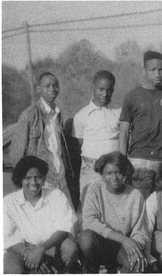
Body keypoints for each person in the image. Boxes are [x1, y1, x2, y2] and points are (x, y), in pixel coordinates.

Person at [119, 50, 162, 200]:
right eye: (152, 70)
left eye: (161, 69)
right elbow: (123, 132)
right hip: (139, 163)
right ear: (144, 71)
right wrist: (122, 164)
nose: (157, 74)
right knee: (140, 208)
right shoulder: (132, 96)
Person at [77, 151, 150, 273]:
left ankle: (117, 269)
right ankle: (90, 270)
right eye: (109, 173)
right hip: (99, 243)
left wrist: (135, 247)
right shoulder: (94, 189)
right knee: (86, 238)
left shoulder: (135, 195)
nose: (114, 178)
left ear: (125, 173)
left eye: (118, 172)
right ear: (102, 174)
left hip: (123, 247)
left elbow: (140, 230)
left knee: (137, 265)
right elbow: (89, 222)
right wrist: (121, 238)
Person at [4, 156, 78, 274]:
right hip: (22, 250)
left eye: (37, 177)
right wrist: (30, 253)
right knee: (12, 267)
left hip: (52, 246)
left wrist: (40, 249)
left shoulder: (56, 195)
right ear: (20, 179)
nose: (33, 182)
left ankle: (63, 270)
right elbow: (8, 238)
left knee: (70, 248)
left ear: (43, 179)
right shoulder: (8, 202)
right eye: (28, 178)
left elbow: (63, 229)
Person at [10, 72, 75, 206]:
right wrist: (28, 182)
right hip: (43, 181)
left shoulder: (57, 113)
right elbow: (17, 153)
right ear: (39, 89)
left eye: (55, 86)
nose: (52, 89)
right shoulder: (29, 115)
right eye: (47, 86)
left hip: (61, 180)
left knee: (69, 221)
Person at [73, 70, 121, 204]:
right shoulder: (82, 115)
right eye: (100, 89)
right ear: (92, 88)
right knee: (90, 205)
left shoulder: (119, 112)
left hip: (113, 170)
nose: (105, 94)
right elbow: (80, 142)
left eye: (109, 90)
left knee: (114, 204)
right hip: (91, 169)